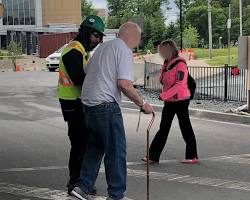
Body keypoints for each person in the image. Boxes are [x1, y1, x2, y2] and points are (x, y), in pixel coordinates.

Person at [70, 22, 154, 200]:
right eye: (138, 38)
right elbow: (124, 84)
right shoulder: (123, 50)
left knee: (95, 148)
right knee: (116, 151)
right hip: (105, 105)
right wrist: (143, 103)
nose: (138, 42)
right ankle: (116, 195)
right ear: (131, 36)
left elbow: (88, 71)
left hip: (89, 106)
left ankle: (83, 187)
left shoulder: (103, 48)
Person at [57, 15, 105, 194]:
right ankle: (75, 183)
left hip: (77, 102)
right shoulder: (73, 50)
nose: (97, 40)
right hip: (72, 103)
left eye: (100, 37)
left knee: (83, 143)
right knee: (79, 144)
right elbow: (78, 78)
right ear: (85, 31)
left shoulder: (81, 51)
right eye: (95, 35)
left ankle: (81, 182)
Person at [142, 40, 198, 165]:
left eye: (163, 50)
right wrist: (166, 95)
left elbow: (180, 84)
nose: (161, 53)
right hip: (170, 100)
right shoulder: (166, 63)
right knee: (163, 128)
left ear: (171, 50)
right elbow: (163, 80)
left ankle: (192, 155)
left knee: (185, 127)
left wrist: (164, 95)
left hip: (181, 100)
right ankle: (153, 156)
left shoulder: (180, 64)